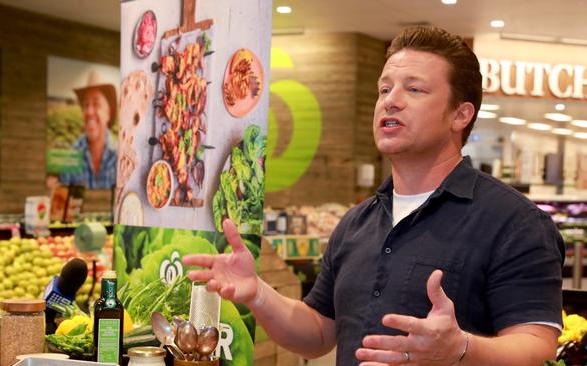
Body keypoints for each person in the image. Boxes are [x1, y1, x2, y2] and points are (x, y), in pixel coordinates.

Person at [183, 26, 564, 365]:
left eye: (414, 89)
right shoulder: (356, 223)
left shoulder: (515, 223)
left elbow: (536, 347)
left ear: (460, 115)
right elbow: (317, 334)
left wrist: (460, 349)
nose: (390, 100)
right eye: (384, 89)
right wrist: (258, 294)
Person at [59, 70, 118, 189]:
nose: (89, 112)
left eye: (96, 104)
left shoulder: (120, 155)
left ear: (108, 113)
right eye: (86, 105)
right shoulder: (72, 156)